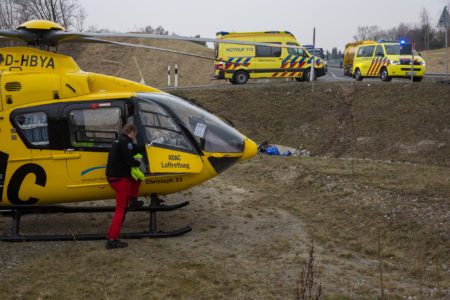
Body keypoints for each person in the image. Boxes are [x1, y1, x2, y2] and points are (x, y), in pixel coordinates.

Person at [105, 123, 145, 249]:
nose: (134, 137)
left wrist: (147, 146)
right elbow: (130, 160)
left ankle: (133, 200)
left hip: (114, 177)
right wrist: (138, 162)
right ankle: (111, 239)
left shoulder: (120, 140)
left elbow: (134, 148)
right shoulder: (126, 143)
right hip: (119, 180)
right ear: (132, 132)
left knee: (136, 179)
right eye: (135, 135)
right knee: (120, 210)